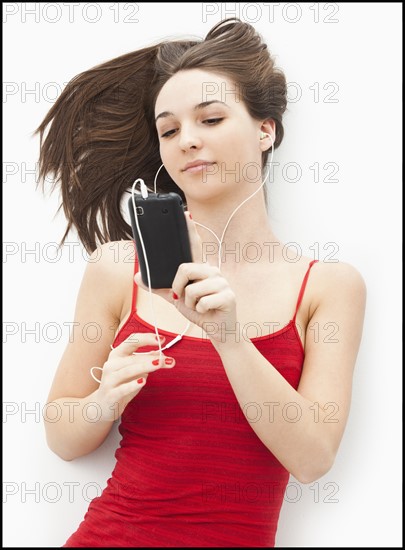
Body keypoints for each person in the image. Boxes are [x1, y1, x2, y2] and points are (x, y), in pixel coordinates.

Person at [36, 18, 366, 548]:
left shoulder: (329, 286)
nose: (187, 140)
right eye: (169, 130)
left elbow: (312, 458)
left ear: (266, 129)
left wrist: (229, 336)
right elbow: (62, 436)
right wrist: (104, 398)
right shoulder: (119, 269)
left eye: (210, 118)